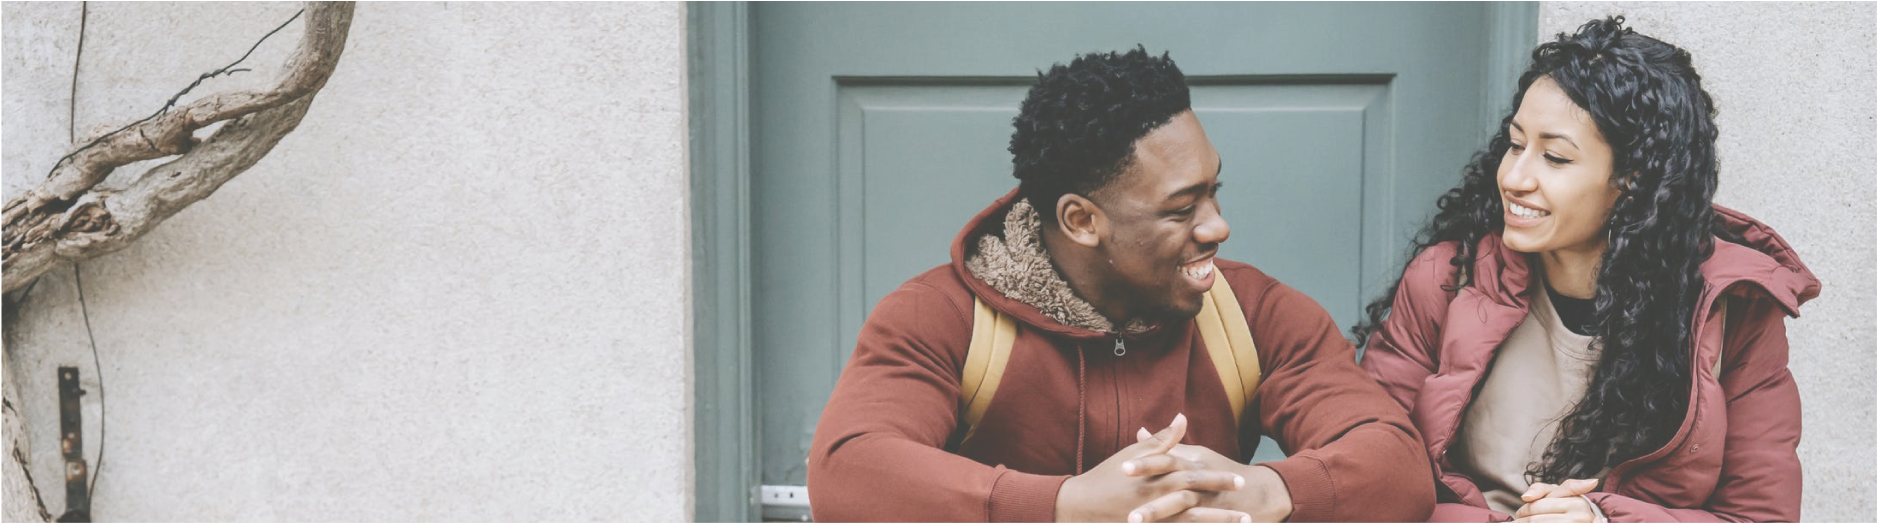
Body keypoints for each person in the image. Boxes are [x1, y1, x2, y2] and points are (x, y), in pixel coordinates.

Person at [806, 46, 1433, 523]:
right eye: (1181, 208)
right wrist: (1066, 505)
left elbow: (1397, 464)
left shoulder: (1254, 312)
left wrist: (1260, 490)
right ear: (1082, 220)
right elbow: (847, 468)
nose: (1218, 225)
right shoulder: (939, 316)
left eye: (1214, 190)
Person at [1355, 17, 1819, 523]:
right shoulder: (1447, 279)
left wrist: (1603, 520)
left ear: (1633, 180)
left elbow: (1760, 515)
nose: (1513, 177)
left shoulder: (1731, 312)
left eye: (1554, 157)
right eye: (1514, 144)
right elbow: (1369, 473)